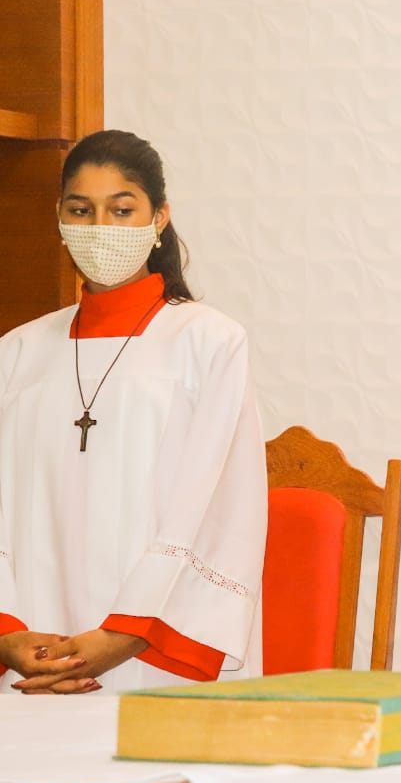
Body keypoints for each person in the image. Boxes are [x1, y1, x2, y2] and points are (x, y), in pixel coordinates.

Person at [0, 130, 267, 694]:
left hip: (149, 652)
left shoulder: (208, 343)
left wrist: (122, 637)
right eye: (81, 210)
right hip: (31, 655)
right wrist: (10, 637)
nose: (101, 227)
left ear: (159, 217)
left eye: (121, 210)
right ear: (59, 218)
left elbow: (221, 511)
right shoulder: (17, 352)